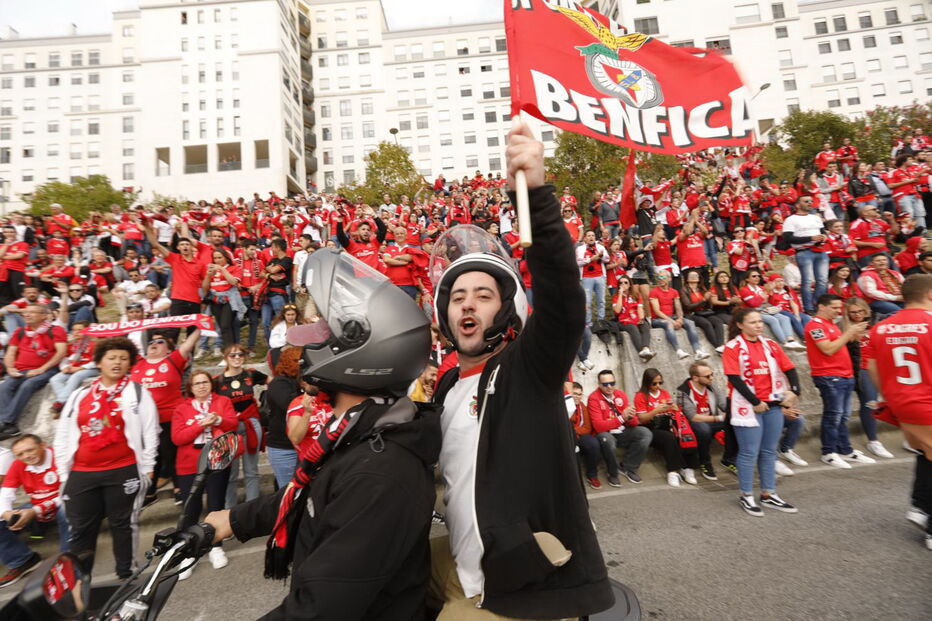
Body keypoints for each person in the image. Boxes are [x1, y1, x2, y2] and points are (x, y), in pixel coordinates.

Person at [428, 121, 613, 619]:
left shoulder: (526, 370)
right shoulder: (444, 384)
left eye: (483, 295)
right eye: (458, 296)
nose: (468, 304)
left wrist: (534, 194)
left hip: (525, 588)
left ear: (505, 310)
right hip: (465, 571)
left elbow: (563, 301)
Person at [204, 248, 442, 619]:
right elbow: (310, 494)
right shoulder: (356, 430)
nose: (311, 338)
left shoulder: (378, 472)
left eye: (325, 329)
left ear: (362, 348)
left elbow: (320, 608)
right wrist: (231, 520)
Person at [53, 337, 159, 580]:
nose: (117, 363)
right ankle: (80, 582)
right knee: (80, 530)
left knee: (123, 524)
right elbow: (63, 434)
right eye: (111, 357)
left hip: (123, 469)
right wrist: (63, 473)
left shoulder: (138, 393)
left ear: (130, 363)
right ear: (99, 362)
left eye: (123, 358)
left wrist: (149, 467)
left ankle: (126, 573)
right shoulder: (80, 394)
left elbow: (150, 432)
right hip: (81, 472)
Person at [865, 274, 932, 550]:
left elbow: (871, 368)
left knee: (926, 455)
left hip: (902, 402)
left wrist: (892, 397)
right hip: (927, 401)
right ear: (929, 295)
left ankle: (920, 506)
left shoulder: (880, 328)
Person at [723, 308, 802, 517]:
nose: (758, 325)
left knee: (769, 451)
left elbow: (789, 368)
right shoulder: (733, 347)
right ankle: (746, 494)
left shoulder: (771, 344)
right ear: (740, 325)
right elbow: (734, 378)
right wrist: (755, 401)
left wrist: (795, 391)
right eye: (753, 322)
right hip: (747, 406)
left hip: (773, 404)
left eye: (760, 321)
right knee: (749, 452)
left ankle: (769, 493)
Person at [171, 369, 238, 577]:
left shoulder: (222, 401)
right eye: (197, 383)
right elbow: (178, 438)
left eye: (205, 382)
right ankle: (189, 552)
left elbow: (233, 424)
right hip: (189, 463)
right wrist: (200, 426)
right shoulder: (182, 408)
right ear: (190, 388)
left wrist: (217, 421)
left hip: (217, 460)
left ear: (211, 384)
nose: (201, 386)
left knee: (216, 505)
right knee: (191, 507)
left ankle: (216, 547)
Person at [129, 327, 201, 506]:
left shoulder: (173, 360)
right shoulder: (138, 363)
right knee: (150, 455)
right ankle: (149, 492)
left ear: (169, 348)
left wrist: (200, 327)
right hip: (144, 420)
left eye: (160, 342)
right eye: (151, 342)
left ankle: (180, 489)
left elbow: (188, 344)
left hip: (170, 417)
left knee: (171, 453)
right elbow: (120, 344)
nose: (154, 344)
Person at [804, 294, 875, 469]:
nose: (838, 311)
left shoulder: (830, 325)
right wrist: (849, 333)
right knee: (833, 415)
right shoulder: (815, 325)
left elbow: (838, 345)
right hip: (829, 376)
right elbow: (827, 349)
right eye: (834, 307)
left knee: (843, 416)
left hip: (844, 375)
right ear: (821, 307)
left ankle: (845, 450)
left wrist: (853, 335)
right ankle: (828, 452)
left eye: (839, 308)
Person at [0, 435, 69, 588]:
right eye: (20, 454)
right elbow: (5, 494)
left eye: (30, 450)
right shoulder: (18, 464)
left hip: (63, 503)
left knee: (67, 509)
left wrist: (36, 510)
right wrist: (6, 513)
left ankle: (69, 559)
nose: (26, 456)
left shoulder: (60, 457)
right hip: (35, 508)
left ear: (43, 445)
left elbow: (69, 493)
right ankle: (22, 560)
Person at [0, 304, 68, 440]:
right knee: (5, 386)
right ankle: (10, 426)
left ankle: (6, 422)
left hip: (48, 369)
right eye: (25, 312)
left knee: (28, 385)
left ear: (44, 316)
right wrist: (10, 368)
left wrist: (41, 369)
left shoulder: (56, 330)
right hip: (21, 369)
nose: (27, 314)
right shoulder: (20, 331)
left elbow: (61, 352)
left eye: (32, 312)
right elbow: (10, 353)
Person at [214, 345, 267, 508]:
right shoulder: (217, 381)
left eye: (240, 354)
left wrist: (263, 401)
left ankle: (251, 509)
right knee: (231, 473)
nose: (237, 357)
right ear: (225, 358)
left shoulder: (250, 374)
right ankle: (229, 510)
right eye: (232, 355)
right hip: (229, 428)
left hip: (251, 424)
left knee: (252, 470)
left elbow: (272, 382)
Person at [843, 298, 894, 459]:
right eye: (853, 312)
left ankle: (911, 436)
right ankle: (873, 441)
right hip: (860, 370)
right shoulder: (844, 327)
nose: (857, 315)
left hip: (880, 367)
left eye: (860, 311)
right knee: (869, 405)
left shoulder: (876, 324)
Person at [633, 369, 701, 487]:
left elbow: (673, 412)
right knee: (668, 438)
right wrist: (656, 410)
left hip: (667, 423)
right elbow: (642, 419)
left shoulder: (664, 393)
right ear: (647, 382)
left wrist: (674, 408)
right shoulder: (640, 396)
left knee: (687, 434)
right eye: (654, 383)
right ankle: (673, 471)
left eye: (660, 383)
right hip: (651, 428)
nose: (658, 386)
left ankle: (688, 468)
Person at [586, 370, 652, 487]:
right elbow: (599, 426)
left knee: (645, 433)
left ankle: (628, 467)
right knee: (607, 439)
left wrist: (631, 417)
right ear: (599, 385)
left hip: (622, 431)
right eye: (605, 384)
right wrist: (622, 418)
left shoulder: (620, 394)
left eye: (612, 383)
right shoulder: (593, 398)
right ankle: (613, 473)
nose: (609, 386)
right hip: (605, 433)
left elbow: (633, 422)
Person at [676, 362, 727, 481]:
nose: (711, 378)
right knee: (703, 429)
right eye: (708, 376)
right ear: (695, 378)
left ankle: (729, 459)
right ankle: (705, 463)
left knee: (735, 421)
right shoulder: (683, 391)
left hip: (711, 421)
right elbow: (692, 417)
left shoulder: (711, 387)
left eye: (712, 374)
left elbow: (724, 405)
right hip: (693, 425)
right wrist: (719, 418)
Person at [263, 346, 304, 487]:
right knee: (288, 489)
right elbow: (291, 405)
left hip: (303, 443)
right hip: (284, 447)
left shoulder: (299, 382)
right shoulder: (279, 384)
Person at [782, 195, 829, 314]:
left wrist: (823, 237)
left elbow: (823, 232)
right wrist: (810, 238)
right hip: (804, 251)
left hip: (820, 249)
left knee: (822, 280)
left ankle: (818, 305)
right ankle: (809, 308)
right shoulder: (791, 219)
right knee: (807, 281)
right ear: (797, 205)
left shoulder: (815, 218)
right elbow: (787, 238)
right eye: (806, 201)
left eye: (811, 201)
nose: (809, 203)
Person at [650, 270, 708, 360]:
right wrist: (672, 321)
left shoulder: (674, 291)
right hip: (658, 319)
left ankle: (698, 351)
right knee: (668, 324)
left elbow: (678, 308)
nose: (660, 279)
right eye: (659, 277)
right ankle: (678, 351)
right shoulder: (654, 292)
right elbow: (657, 311)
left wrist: (680, 318)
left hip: (672, 316)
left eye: (663, 277)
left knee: (690, 323)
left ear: (669, 279)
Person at [680, 270, 726, 353]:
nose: (694, 277)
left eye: (696, 275)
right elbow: (688, 306)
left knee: (718, 321)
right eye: (691, 275)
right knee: (706, 324)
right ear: (687, 279)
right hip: (691, 314)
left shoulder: (702, 288)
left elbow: (709, 306)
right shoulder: (684, 290)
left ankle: (721, 345)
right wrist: (704, 299)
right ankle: (718, 346)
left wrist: (709, 299)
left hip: (704, 312)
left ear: (699, 278)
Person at [611, 275, 655, 360]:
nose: (623, 284)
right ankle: (642, 351)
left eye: (625, 282)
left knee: (645, 325)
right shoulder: (616, 297)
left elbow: (640, 309)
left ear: (630, 284)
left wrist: (641, 319)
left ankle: (646, 348)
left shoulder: (636, 295)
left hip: (635, 318)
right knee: (632, 327)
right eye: (621, 283)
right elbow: (617, 311)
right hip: (623, 320)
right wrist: (620, 294)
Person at [576, 229, 609, 327]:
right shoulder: (580, 249)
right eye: (589, 236)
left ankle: (601, 322)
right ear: (585, 238)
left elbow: (608, 259)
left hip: (600, 277)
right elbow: (577, 263)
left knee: (601, 301)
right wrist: (590, 259)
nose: (591, 237)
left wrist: (601, 256)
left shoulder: (600, 247)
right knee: (587, 302)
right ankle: (588, 324)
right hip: (586, 278)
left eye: (593, 235)